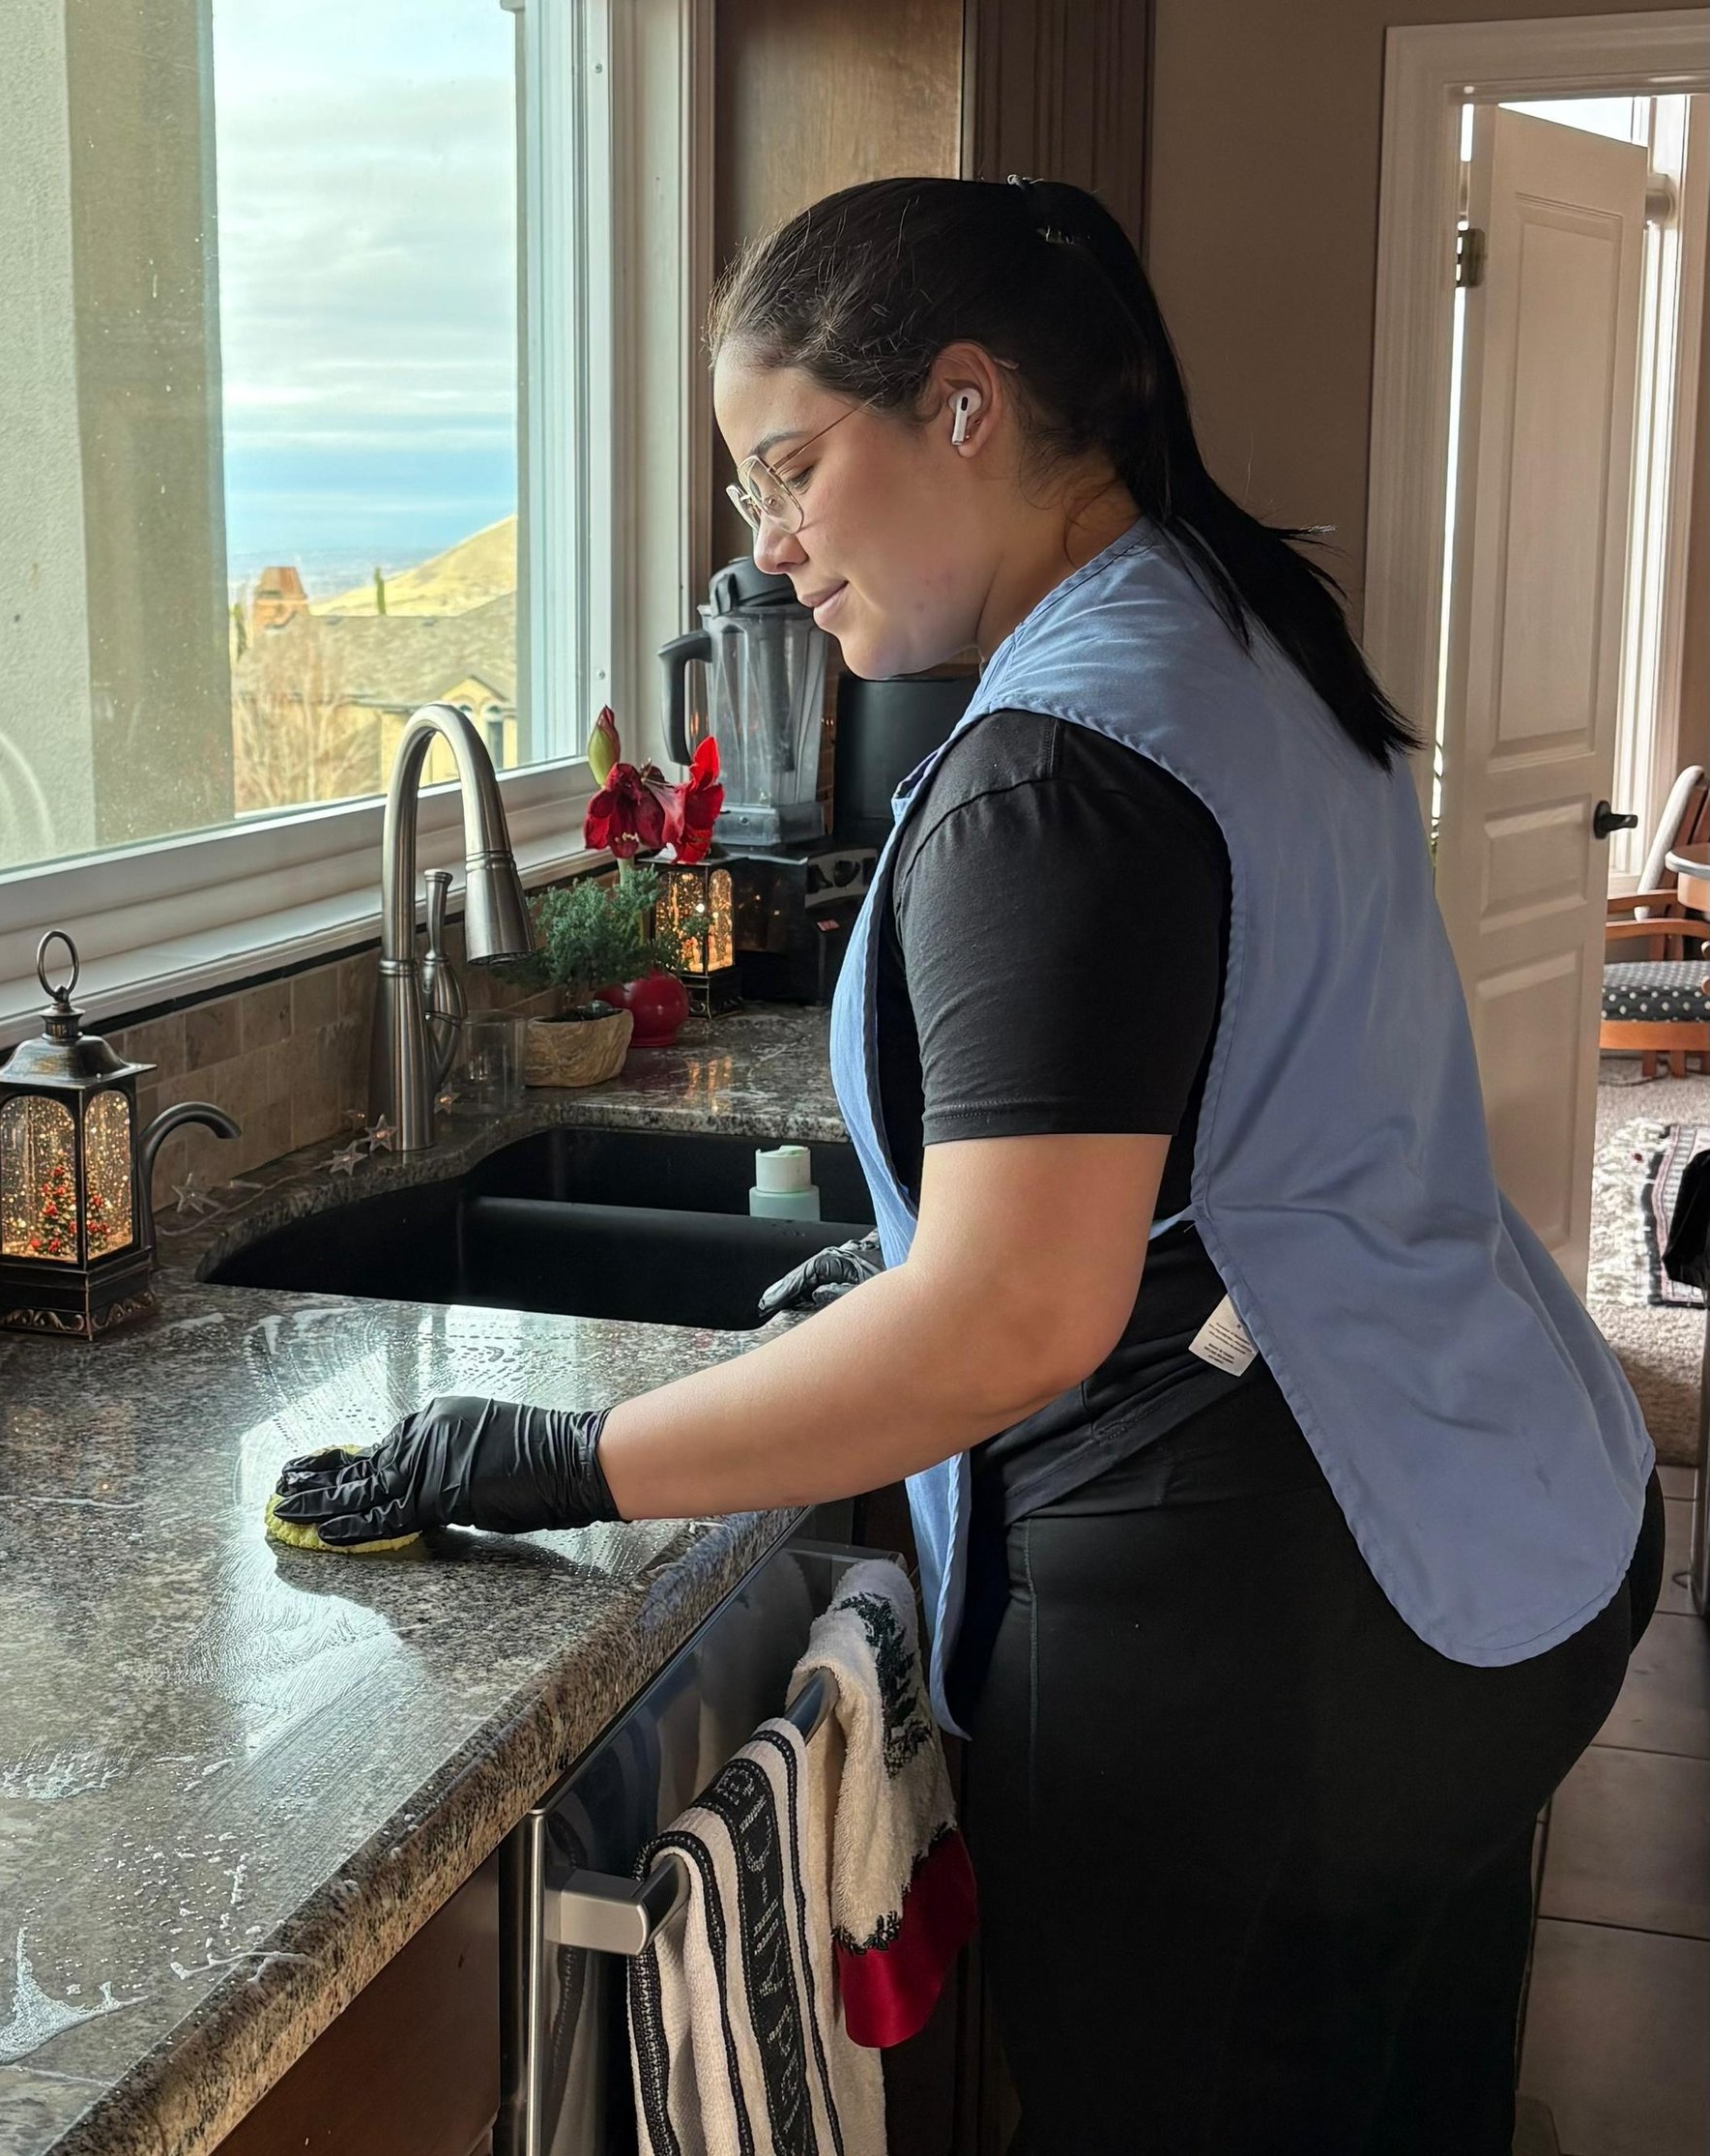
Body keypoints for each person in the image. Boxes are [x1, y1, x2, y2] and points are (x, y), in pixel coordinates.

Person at [275, 177, 1666, 2153]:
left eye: (791, 464)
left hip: (1271, 1625)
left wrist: (557, 1459)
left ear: (962, 406)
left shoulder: (1055, 765)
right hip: (1501, 1516)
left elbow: (1015, 1317)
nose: (766, 544)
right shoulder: (1223, 616)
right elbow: (1230, 1099)